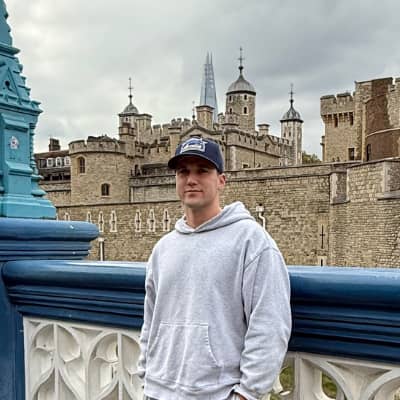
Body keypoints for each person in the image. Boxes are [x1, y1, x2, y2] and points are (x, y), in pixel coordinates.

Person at [138, 137, 291, 400]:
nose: (191, 180)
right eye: (183, 172)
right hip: (158, 391)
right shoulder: (163, 248)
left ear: (221, 180)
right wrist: (145, 374)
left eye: (202, 171)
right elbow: (150, 321)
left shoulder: (251, 241)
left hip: (218, 393)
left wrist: (247, 393)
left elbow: (270, 323)